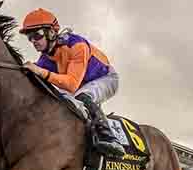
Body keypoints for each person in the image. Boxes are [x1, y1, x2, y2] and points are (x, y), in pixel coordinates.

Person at [20, 8, 125, 156]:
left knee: (83, 97)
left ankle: (110, 138)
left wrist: (40, 71)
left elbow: (71, 85)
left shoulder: (77, 45)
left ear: (51, 32)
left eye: (37, 35)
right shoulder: (45, 59)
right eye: (29, 37)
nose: (33, 41)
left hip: (105, 78)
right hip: (80, 85)